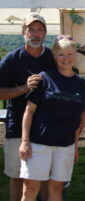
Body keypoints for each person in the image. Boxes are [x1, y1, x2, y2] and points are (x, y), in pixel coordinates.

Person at [18, 35, 85, 201]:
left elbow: (79, 117)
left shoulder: (81, 84)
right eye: (61, 54)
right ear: (54, 56)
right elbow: (29, 110)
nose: (66, 59)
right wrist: (24, 141)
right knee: (30, 188)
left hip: (65, 147)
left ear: (75, 55)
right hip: (38, 145)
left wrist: (75, 145)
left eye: (70, 54)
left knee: (56, 188)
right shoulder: (44, 78)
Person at [0, 13, 56, 201]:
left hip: (46, 128)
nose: (35, 34)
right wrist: (24, 88)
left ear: (45, 33)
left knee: (46, 178)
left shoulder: (52, 58)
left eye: (39, 30)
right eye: (30, 29)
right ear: (23, 32)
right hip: (16, 128)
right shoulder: (11, 59)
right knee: (17, 176)